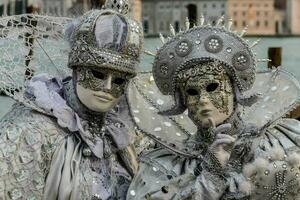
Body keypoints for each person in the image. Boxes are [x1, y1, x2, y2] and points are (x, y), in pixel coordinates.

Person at [126, 17, 300, 199]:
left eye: (212, 87)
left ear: (234, 90)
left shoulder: (282, 139)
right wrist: (210, 175)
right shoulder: (166, 164)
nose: (203, 100)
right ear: (183, 101)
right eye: (192, 92)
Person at [0, 3, 143, 199]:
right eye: (97, 74)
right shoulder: (30, 130)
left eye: (119, 80)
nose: (108, 88)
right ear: (77, 69)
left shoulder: (123, 131)